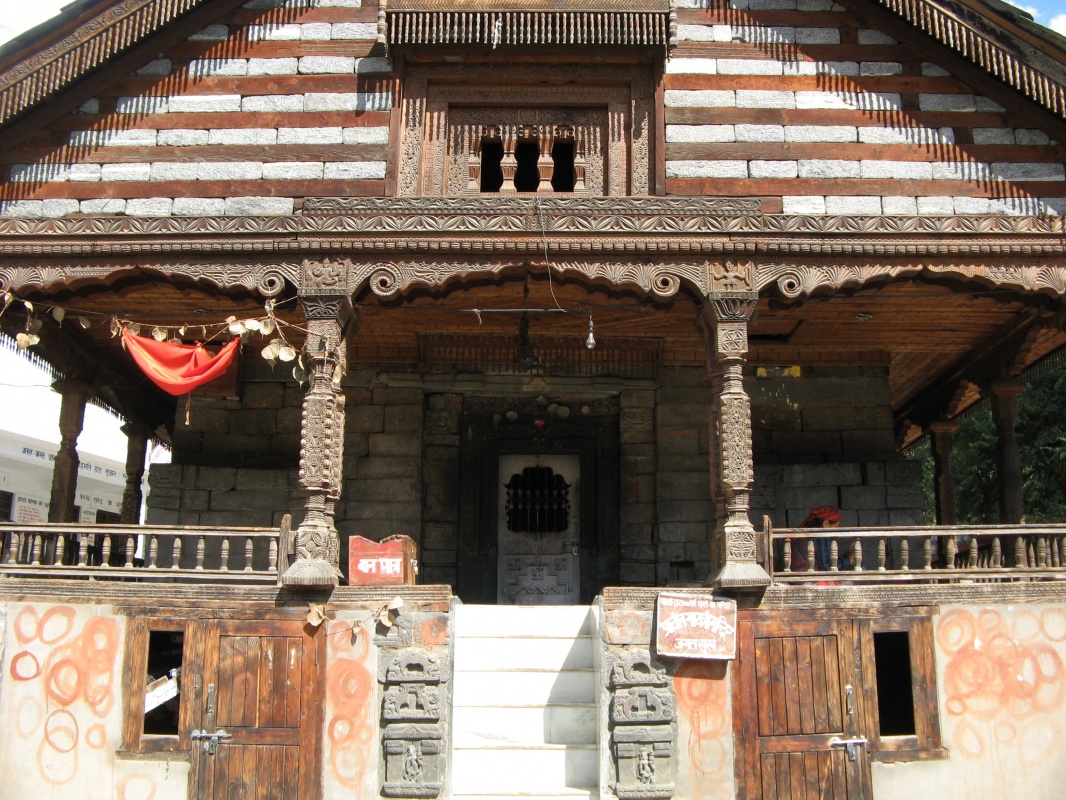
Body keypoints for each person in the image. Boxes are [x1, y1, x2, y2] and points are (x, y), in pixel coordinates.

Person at [794, 505, 843, 572]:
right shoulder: (820, 536)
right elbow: (827, 567)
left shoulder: (809, 533)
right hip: (808, 575)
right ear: (826, 524)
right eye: (837, 525)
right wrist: (850, 560)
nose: (838, 529)